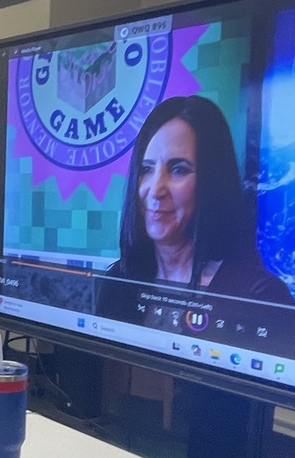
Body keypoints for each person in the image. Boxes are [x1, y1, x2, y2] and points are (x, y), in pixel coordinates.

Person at [107, 95, 293, 303]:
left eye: (178, 169)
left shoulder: (261, 296)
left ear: (214, 181)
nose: (155, 190)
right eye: (146, 169)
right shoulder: (117, 280)